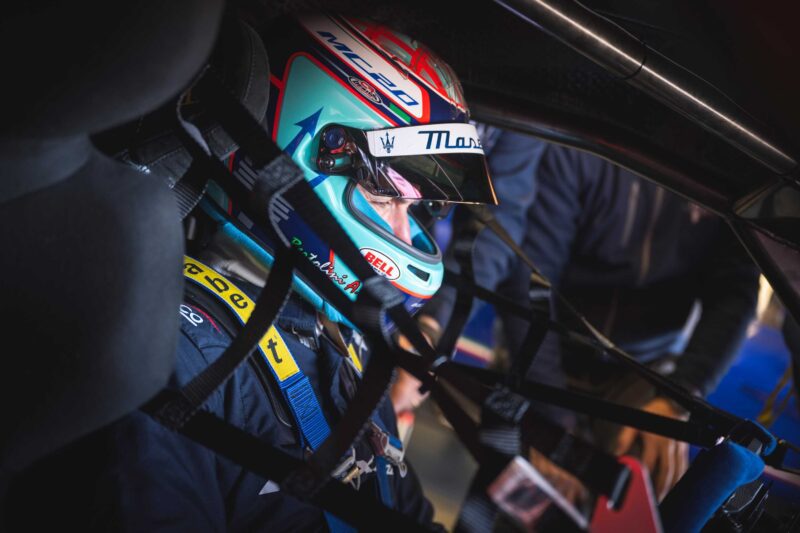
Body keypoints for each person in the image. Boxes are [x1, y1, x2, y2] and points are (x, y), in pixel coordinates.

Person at [4, 13, 497, 531]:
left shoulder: (343, 349)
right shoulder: (176, 354)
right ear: (308, 152)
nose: (403, 233)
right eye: (386, 197)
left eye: (416, 208)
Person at [421, 128, 760, 502]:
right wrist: (553, 427)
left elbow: (736, 294)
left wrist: (678, 397)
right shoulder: (579, 151)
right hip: (546, 348)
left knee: (645, 486)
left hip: (643, 370)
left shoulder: (730, 170)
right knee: (536, 494)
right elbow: (531, 281)